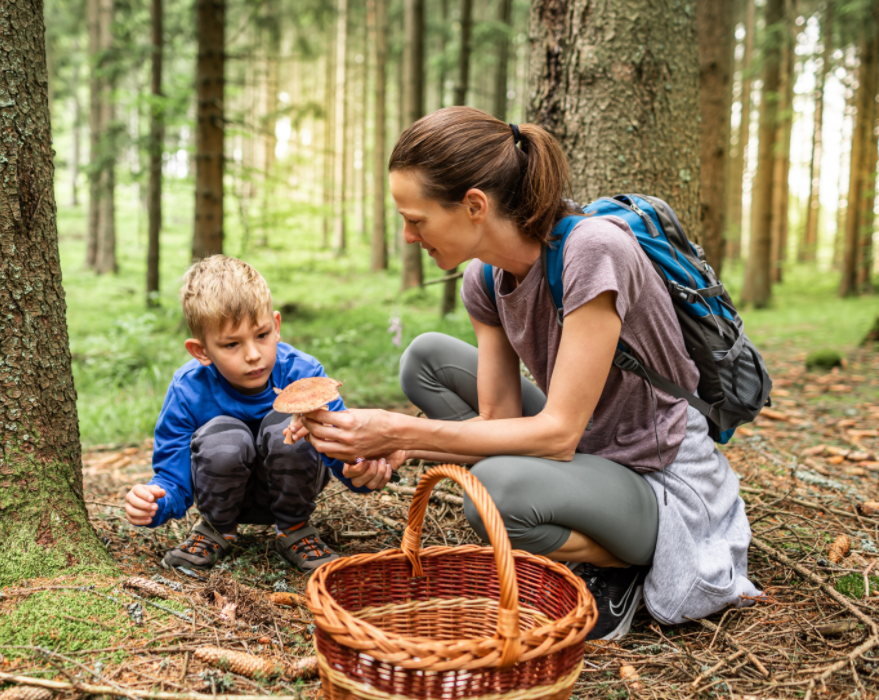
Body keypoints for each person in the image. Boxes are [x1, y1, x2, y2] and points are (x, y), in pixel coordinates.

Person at [297, 106, 762, 639]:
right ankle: (574, 512)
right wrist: (399, 449)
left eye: (415, 219)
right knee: (425, 359)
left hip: (659, 477)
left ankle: (624, 567)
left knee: (492, 490)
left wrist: (401, 431)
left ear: (474, 205)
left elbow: (558, 434)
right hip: (590, 448)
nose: (407, 236)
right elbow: (497, 420)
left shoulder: (592, 252)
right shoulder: (485, 279)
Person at [124, 256, 389, 573]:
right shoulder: (188, 389)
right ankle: (216, 529)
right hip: (217, 496)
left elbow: (344, 454)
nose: (253, 355)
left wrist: (364, 471)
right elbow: (173, 479)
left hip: (293, 491)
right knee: (225, 434)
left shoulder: (304, 375)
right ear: (201, 351)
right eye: (232, 344)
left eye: (261, 335)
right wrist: (154, 503)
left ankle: (294, 529)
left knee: (287, 426)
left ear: (276, 326)